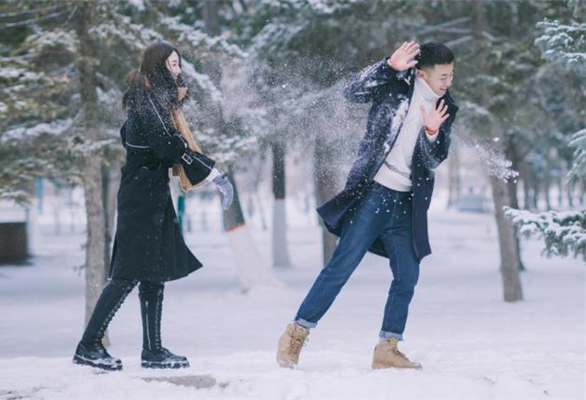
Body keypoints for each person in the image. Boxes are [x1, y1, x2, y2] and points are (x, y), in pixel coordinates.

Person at [276, 41, 458, 370]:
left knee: (408, 275)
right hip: (375, 192)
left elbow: (435, 158)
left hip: (406, 202)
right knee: (341, 266)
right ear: (422, 73)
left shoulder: (446, 108)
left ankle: (387, 348)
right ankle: (296, 333)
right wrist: (388, 66)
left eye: (451, 75)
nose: (448, 82)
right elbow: (352, 91)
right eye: (443, 76)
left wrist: (432, 131)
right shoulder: (396, 84)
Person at [73, 41, 234, 371]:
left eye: (179, 64)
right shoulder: (144, 101)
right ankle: (89, 346)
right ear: (159, 65)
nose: (178, 70)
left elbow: (167, 142)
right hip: (139, 197)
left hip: (153, 193)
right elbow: (168, 146)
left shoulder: (155, 101)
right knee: (126, 274)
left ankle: (153, 351)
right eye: (173, 64)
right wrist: (214, 174)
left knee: (152, 273)